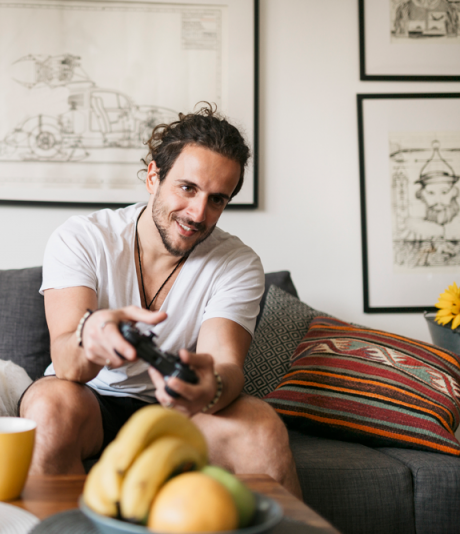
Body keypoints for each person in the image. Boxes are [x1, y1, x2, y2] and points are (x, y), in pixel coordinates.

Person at [18, 104, 302, 497]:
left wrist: (213, 386)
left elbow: (227, 366)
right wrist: (91, 334)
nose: (198, 213)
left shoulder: (238, 263)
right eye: (187, 188)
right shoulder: (82, 238)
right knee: (48, 408)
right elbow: (68, 362)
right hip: (90, 399)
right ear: (154, 177)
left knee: (261, 424)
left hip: (183, 411)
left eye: (217, 199)